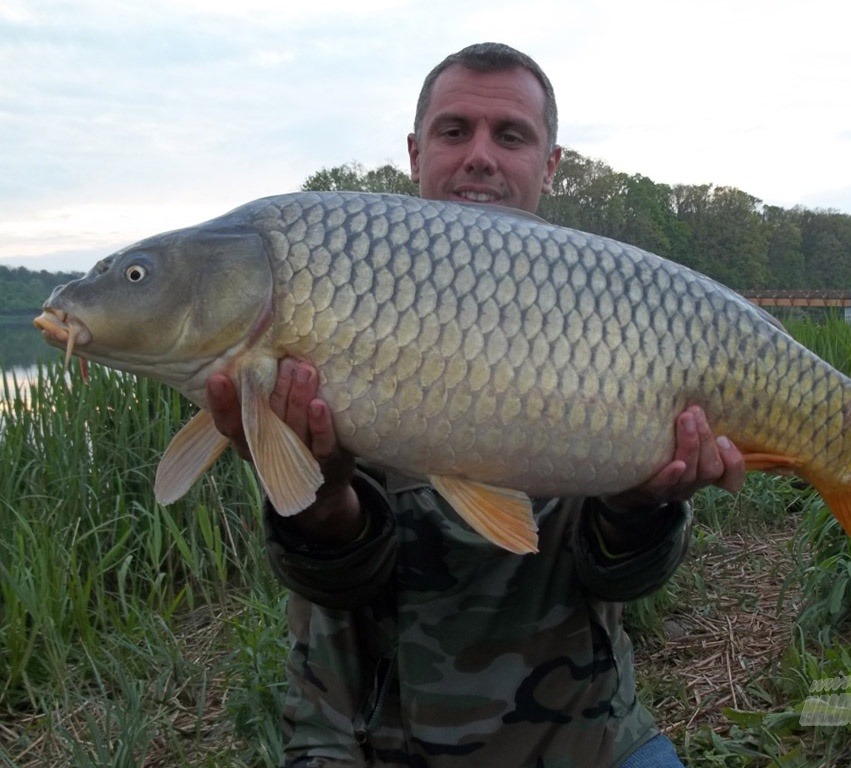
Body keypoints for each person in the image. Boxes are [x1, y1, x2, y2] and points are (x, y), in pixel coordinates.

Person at [208, 42, 745, 768]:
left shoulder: (608, 308)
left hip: (583, 731)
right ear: (415, 151)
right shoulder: (338, 288)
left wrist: (640, 504)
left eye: (512, 135)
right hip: (370, 743)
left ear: (550, 164)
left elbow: (622, 577)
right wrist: (322, 489)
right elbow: (332, 580)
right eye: (454, 131)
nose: (480, 156)